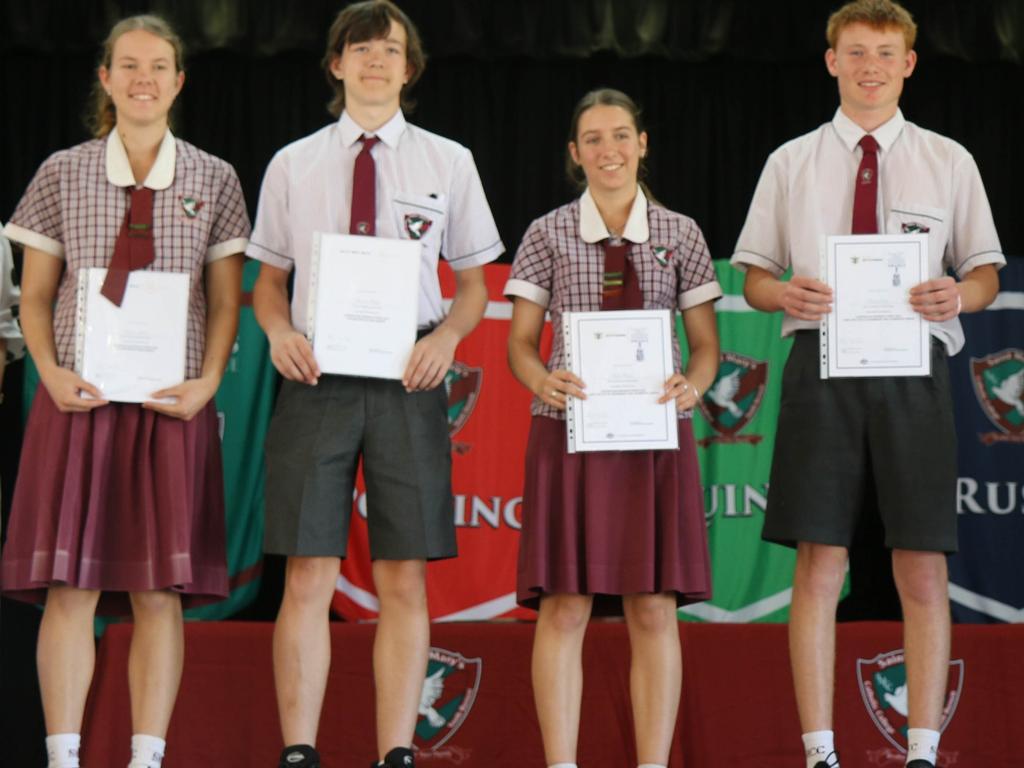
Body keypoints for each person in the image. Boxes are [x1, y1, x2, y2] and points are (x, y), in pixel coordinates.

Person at [730, 1, 1004, 767]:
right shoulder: (792, 161)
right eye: (856, 52)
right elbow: (751, 275)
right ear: (831, 61)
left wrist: (962, 295)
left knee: (921, 561)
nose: (871, 66)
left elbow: (984, 270)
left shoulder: (949, 160)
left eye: (886, 53)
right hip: (822, 366)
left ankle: (922, 747)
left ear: (909, 63)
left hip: (914, 370)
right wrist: (782, 293)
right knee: (820, 561)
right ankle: (819, 750)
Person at [247, 2, 503, 766]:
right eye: (361, 49)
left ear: (409, 66)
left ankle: (397, 751)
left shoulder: (447, 161)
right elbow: (267, 283)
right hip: (317, 371)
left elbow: (475, 283)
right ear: (336, 63)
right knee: (308, 570)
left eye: (390, 50)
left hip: (409, 376)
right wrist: (278, 332)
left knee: (403, 575)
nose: (375, 61)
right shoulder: (294, 163)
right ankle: (300, 749)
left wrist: (451, 339)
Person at [0, 15, 248, 768]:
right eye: (128, 65)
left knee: (158, 593)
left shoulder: (215, 177)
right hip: (80, 401)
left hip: (172, 408)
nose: (144, 78)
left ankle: (147, 758)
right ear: (104, 79)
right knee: (69, 587)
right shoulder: (61, 171)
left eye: (159, 65)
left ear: (179, 81)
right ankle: (64, 757)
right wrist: (49, 371)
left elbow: (228, 301)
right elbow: (35, 296)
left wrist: (208, 381)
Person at [505, 88, 720, 768]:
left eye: (621, 135)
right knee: (564, 609)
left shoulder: (681, 232)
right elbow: (519, 343)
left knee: (654, 610)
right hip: (567, 436)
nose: (609, 150)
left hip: (654, 437)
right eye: (593, 139)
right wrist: (542, 380)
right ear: (575, 153)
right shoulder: (545, 232)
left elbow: (707, 346)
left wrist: (697, 384)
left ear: (643, 143)